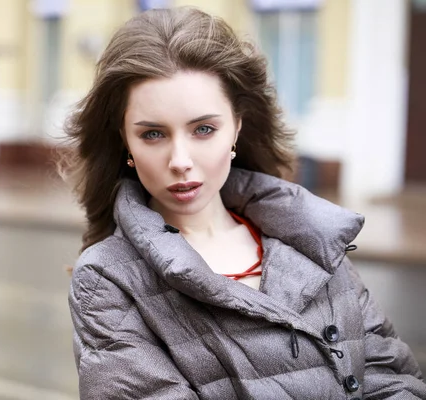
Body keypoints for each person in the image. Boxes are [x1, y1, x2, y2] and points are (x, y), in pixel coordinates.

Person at [59, 7, 426, 399]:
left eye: (203, 129)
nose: (180, 160)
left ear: (236, 126)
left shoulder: (311, 239)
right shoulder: (107, 280)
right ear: (125, 142)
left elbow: (392, 380)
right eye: (153, 134)